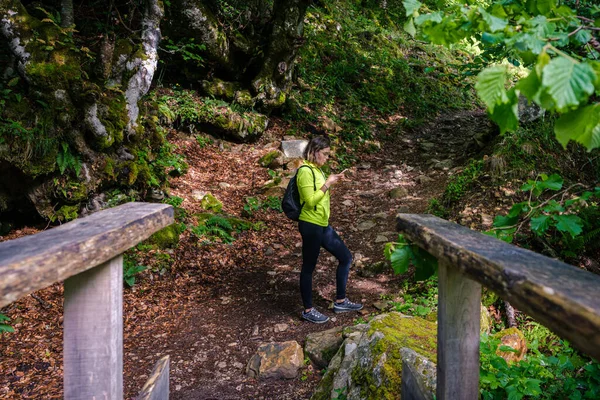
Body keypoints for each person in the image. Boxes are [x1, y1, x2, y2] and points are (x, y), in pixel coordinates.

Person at [296, 136, 363, 323]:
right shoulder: (304, 171)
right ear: (314, 151)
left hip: (322, 224)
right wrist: (328, 183)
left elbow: (320, 197)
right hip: (310, 225)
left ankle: (341, 301)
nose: (326, 158)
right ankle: (308, 310)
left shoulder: (317, 170)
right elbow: (310, 201)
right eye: (324, 154)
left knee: (346, 257)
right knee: (308, 267)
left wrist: (331, 181)